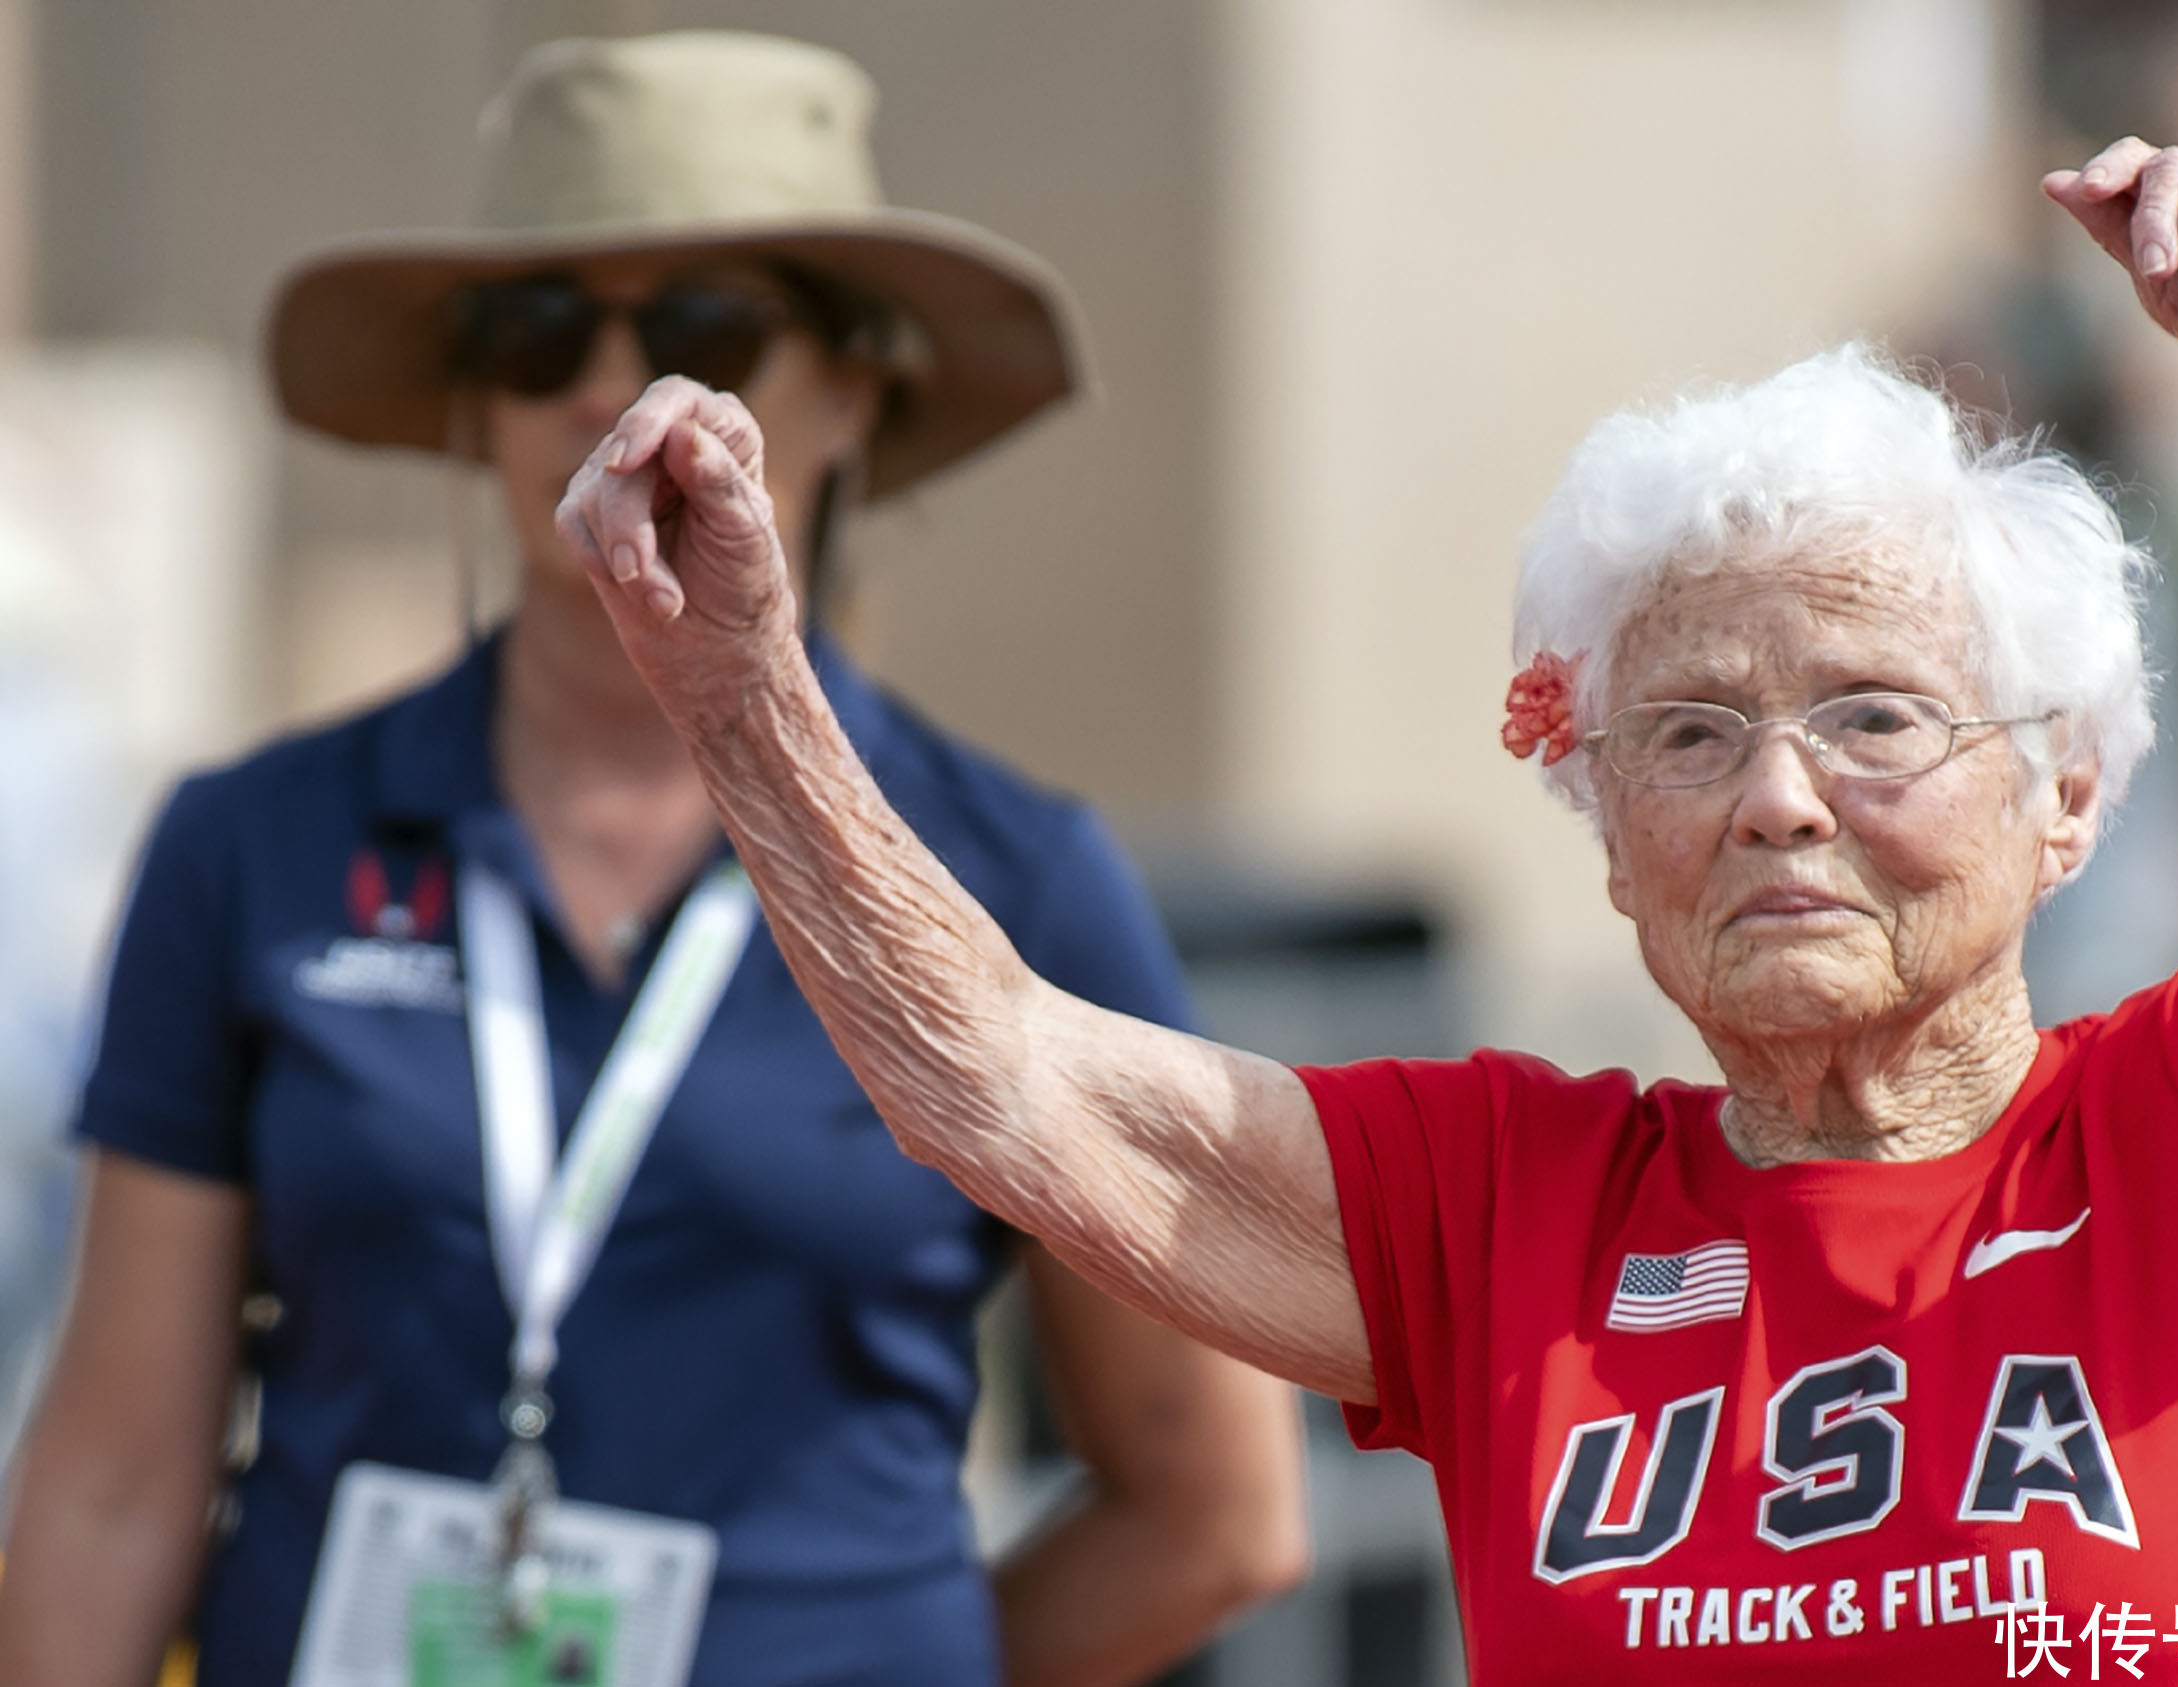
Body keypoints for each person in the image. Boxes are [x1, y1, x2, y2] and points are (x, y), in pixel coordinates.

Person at [554, 136, 2178, 1678]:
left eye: (1874, 718)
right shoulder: (1507, 1209)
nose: (1776, 798)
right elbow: (1002, 1081)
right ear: (1606, 838)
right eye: (1684, 738)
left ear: (2065, 796)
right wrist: (742, 693)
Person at [0, 31, 1303, 1687]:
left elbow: (1216, 1510)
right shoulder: (250, 846)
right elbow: (112, 1481)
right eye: (540, 330)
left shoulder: (1014, 879)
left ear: (854, 391)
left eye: (704, 329)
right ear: (472, 403)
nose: (613, 386)